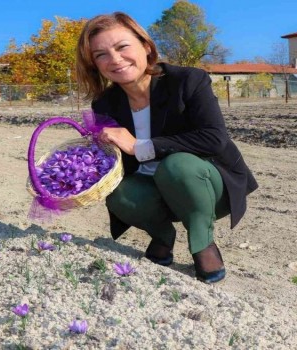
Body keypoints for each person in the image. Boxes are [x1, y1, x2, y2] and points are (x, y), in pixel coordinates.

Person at [75, 12, 258, 284]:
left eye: (122, 46)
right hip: (154, 193)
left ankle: (202, 242)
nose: (114, 59)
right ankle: (162, 236)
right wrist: (77, 180)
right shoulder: (105, 104)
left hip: (205, 187)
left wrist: (140, 147)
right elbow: (113, 162)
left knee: (177, 165)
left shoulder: (187, 80)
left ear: (146, 46)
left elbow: (213, 138)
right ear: (95, 65)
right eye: (101, 54)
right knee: (118, 192)